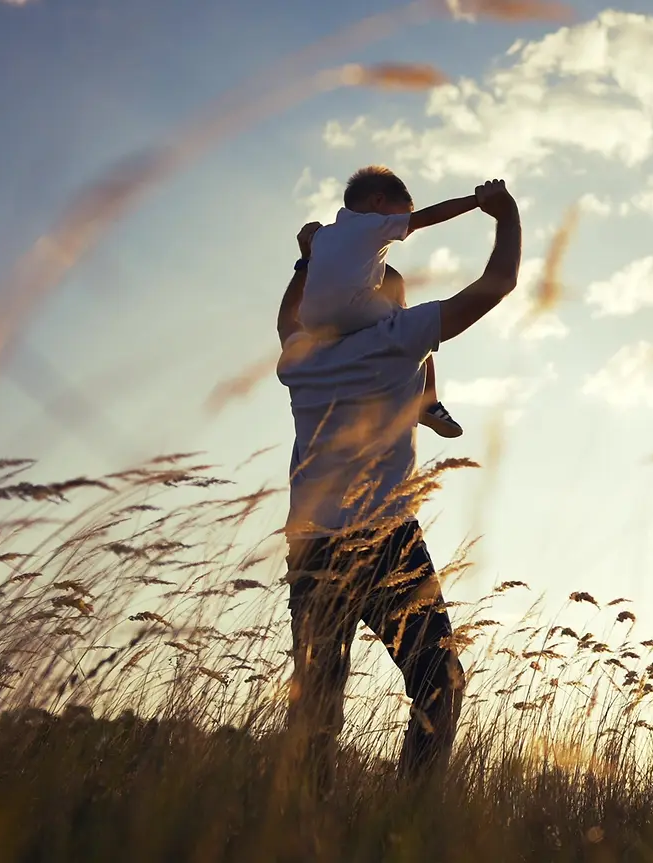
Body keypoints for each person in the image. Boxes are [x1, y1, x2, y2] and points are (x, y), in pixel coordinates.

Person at [275, 178, 522, 788]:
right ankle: (406, 818)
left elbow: (288, 315)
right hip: (385, 539)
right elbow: (497, 284)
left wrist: (308, 260)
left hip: (311, 548)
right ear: (384, 301)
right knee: (440, 683)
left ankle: (300, 826)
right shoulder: (396, 339)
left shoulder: (298, 356)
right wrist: (506, 215)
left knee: (315, 707)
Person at [282, 165, 478, 439]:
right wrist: (478, 200)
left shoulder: (322, 236)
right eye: (401, 214)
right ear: (378, 201)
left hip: (312, 321)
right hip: (351, 308)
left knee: (391, 283)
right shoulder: (373, 224)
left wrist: (305, 255)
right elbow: (430, 216)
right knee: (414, 323)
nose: (403, 223)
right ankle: (429, 403)